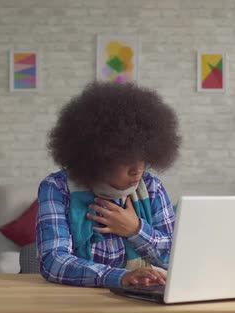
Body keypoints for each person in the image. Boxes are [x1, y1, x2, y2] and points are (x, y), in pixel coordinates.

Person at [36, 82, 181, 288]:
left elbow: (176, 257)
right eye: (125, 159)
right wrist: (119, 277)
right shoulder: (58, 188)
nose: (137, 170)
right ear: (98, 157)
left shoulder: (151, 187)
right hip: (74, 304)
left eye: (143, 158)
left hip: (140, 301)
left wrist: (135, 230)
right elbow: (53, 262)